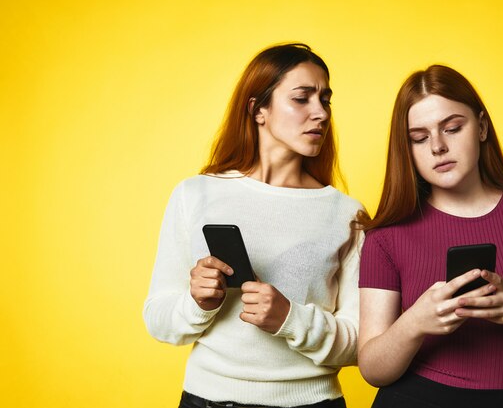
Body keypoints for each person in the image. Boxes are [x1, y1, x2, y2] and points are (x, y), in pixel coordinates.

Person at [143, 43, 363, 408]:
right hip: (205, 400)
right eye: (302, 98)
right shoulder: (196, 194)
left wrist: (291, 319)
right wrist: (198, 302)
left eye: (325, 100)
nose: (320, 114)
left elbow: (359, 343)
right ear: (258, 109)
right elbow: (159, 321)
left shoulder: (346, 214)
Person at [356, 65, 503, 408]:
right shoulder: (386, 235)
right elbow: (372, 369)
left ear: (482, 127)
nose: (437, 147)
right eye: (419, 138)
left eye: (452, 128)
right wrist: (416, 322)